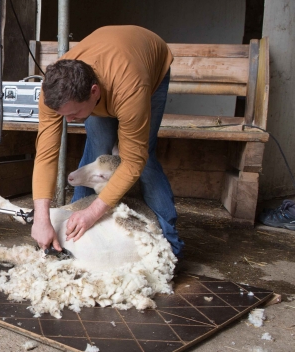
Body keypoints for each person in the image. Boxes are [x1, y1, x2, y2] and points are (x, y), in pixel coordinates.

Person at [31, 25, 184, 258]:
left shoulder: (131, 89)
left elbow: (133, 161)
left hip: (145, 64)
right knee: (96, 149)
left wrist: (93, 213)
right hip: (107, 66)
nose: (69, 121)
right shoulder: (52, 94)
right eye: (64, 115)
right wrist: (41, 218)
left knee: (144, 158)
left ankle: (169, 243)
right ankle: (73, 230)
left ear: (93, 92)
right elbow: (46, 155)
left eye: (74, 114)